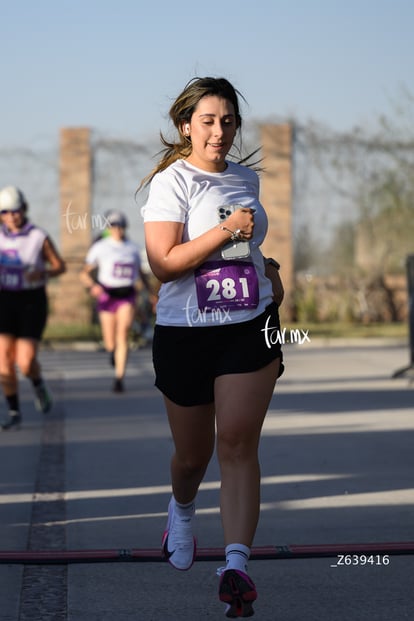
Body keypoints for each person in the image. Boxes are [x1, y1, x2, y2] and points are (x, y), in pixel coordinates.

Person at [139, 76, 284, 618]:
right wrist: (225, 232)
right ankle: (180, 509)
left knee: (240, 445)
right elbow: (164, 263)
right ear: (186, 126)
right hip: (186, 333)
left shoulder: (246, 178)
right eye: (207, 120)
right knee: (193, 457)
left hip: (250, 325)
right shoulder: (173, 183)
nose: (219, 131)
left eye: (227, 121)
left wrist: (267, 272)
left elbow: (249, 247)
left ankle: (236, 566)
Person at [0, 186, 66, 431]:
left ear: (23, 210)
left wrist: (44, 271)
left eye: (15, 211)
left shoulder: (38, 236)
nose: (11, 217)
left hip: (31, 301)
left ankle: (37, 383)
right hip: (4, 299)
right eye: (5, 212)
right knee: (3, 360)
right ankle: (14, 411)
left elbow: (60, 266)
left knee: (25, 361)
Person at [80, 210, 155, 393]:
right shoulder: (101, 247)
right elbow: (84, 273)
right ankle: (113, 352)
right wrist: (93, 286)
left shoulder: (132, 248)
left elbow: (141, 274)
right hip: (107, 294)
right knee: (110, 342)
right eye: (114, 226)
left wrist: (151, 293)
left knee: (122, 334)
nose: (118, 230)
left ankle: (119, 378)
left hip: (127, 295)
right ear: (108, 228)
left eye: (120, 226)